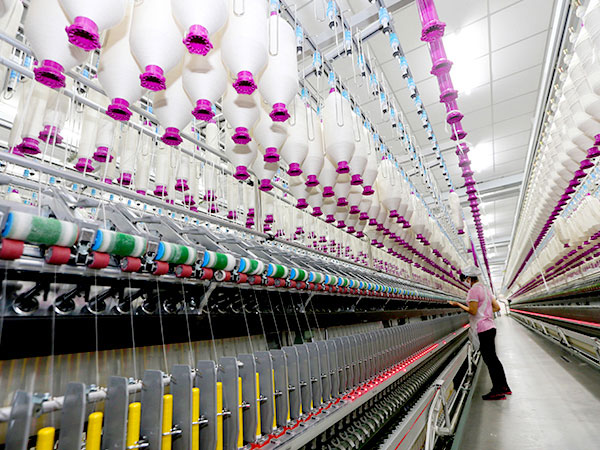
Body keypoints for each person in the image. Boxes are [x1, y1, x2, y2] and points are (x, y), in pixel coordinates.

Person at [448, 265, 511, 400]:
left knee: (489, 360)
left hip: (482, 328)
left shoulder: (473, 291)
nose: (465, 282)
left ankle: (497, 391)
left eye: (465, 279)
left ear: (469, 278)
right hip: (490, 326)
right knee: (493, 359)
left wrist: (458, 305)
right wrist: (485, 312)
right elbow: (496, 307)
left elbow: (472, 311)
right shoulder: (485, 289)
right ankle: (504, 387)